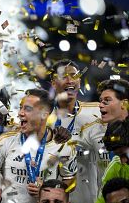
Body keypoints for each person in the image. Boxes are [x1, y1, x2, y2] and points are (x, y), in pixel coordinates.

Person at [0, 88, 77, 203]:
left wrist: (49, 190)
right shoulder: (4, 141)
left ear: (44, 114)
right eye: (20, 108)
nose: (20, 113)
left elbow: (70, 180)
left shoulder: (63, 145)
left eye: (27, 109)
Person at [50, 59, 107, 202]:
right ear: (53, 83)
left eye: (74, 76)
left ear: (80, 82)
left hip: (89, 198)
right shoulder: (44, 119)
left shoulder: (97, 112)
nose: (70, 80)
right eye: (63, 76)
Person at [96, 118, 129, 203]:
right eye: (118, 155)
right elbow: (102, 200)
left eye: (124, 154)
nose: (122, 161)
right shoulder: (116, 166)